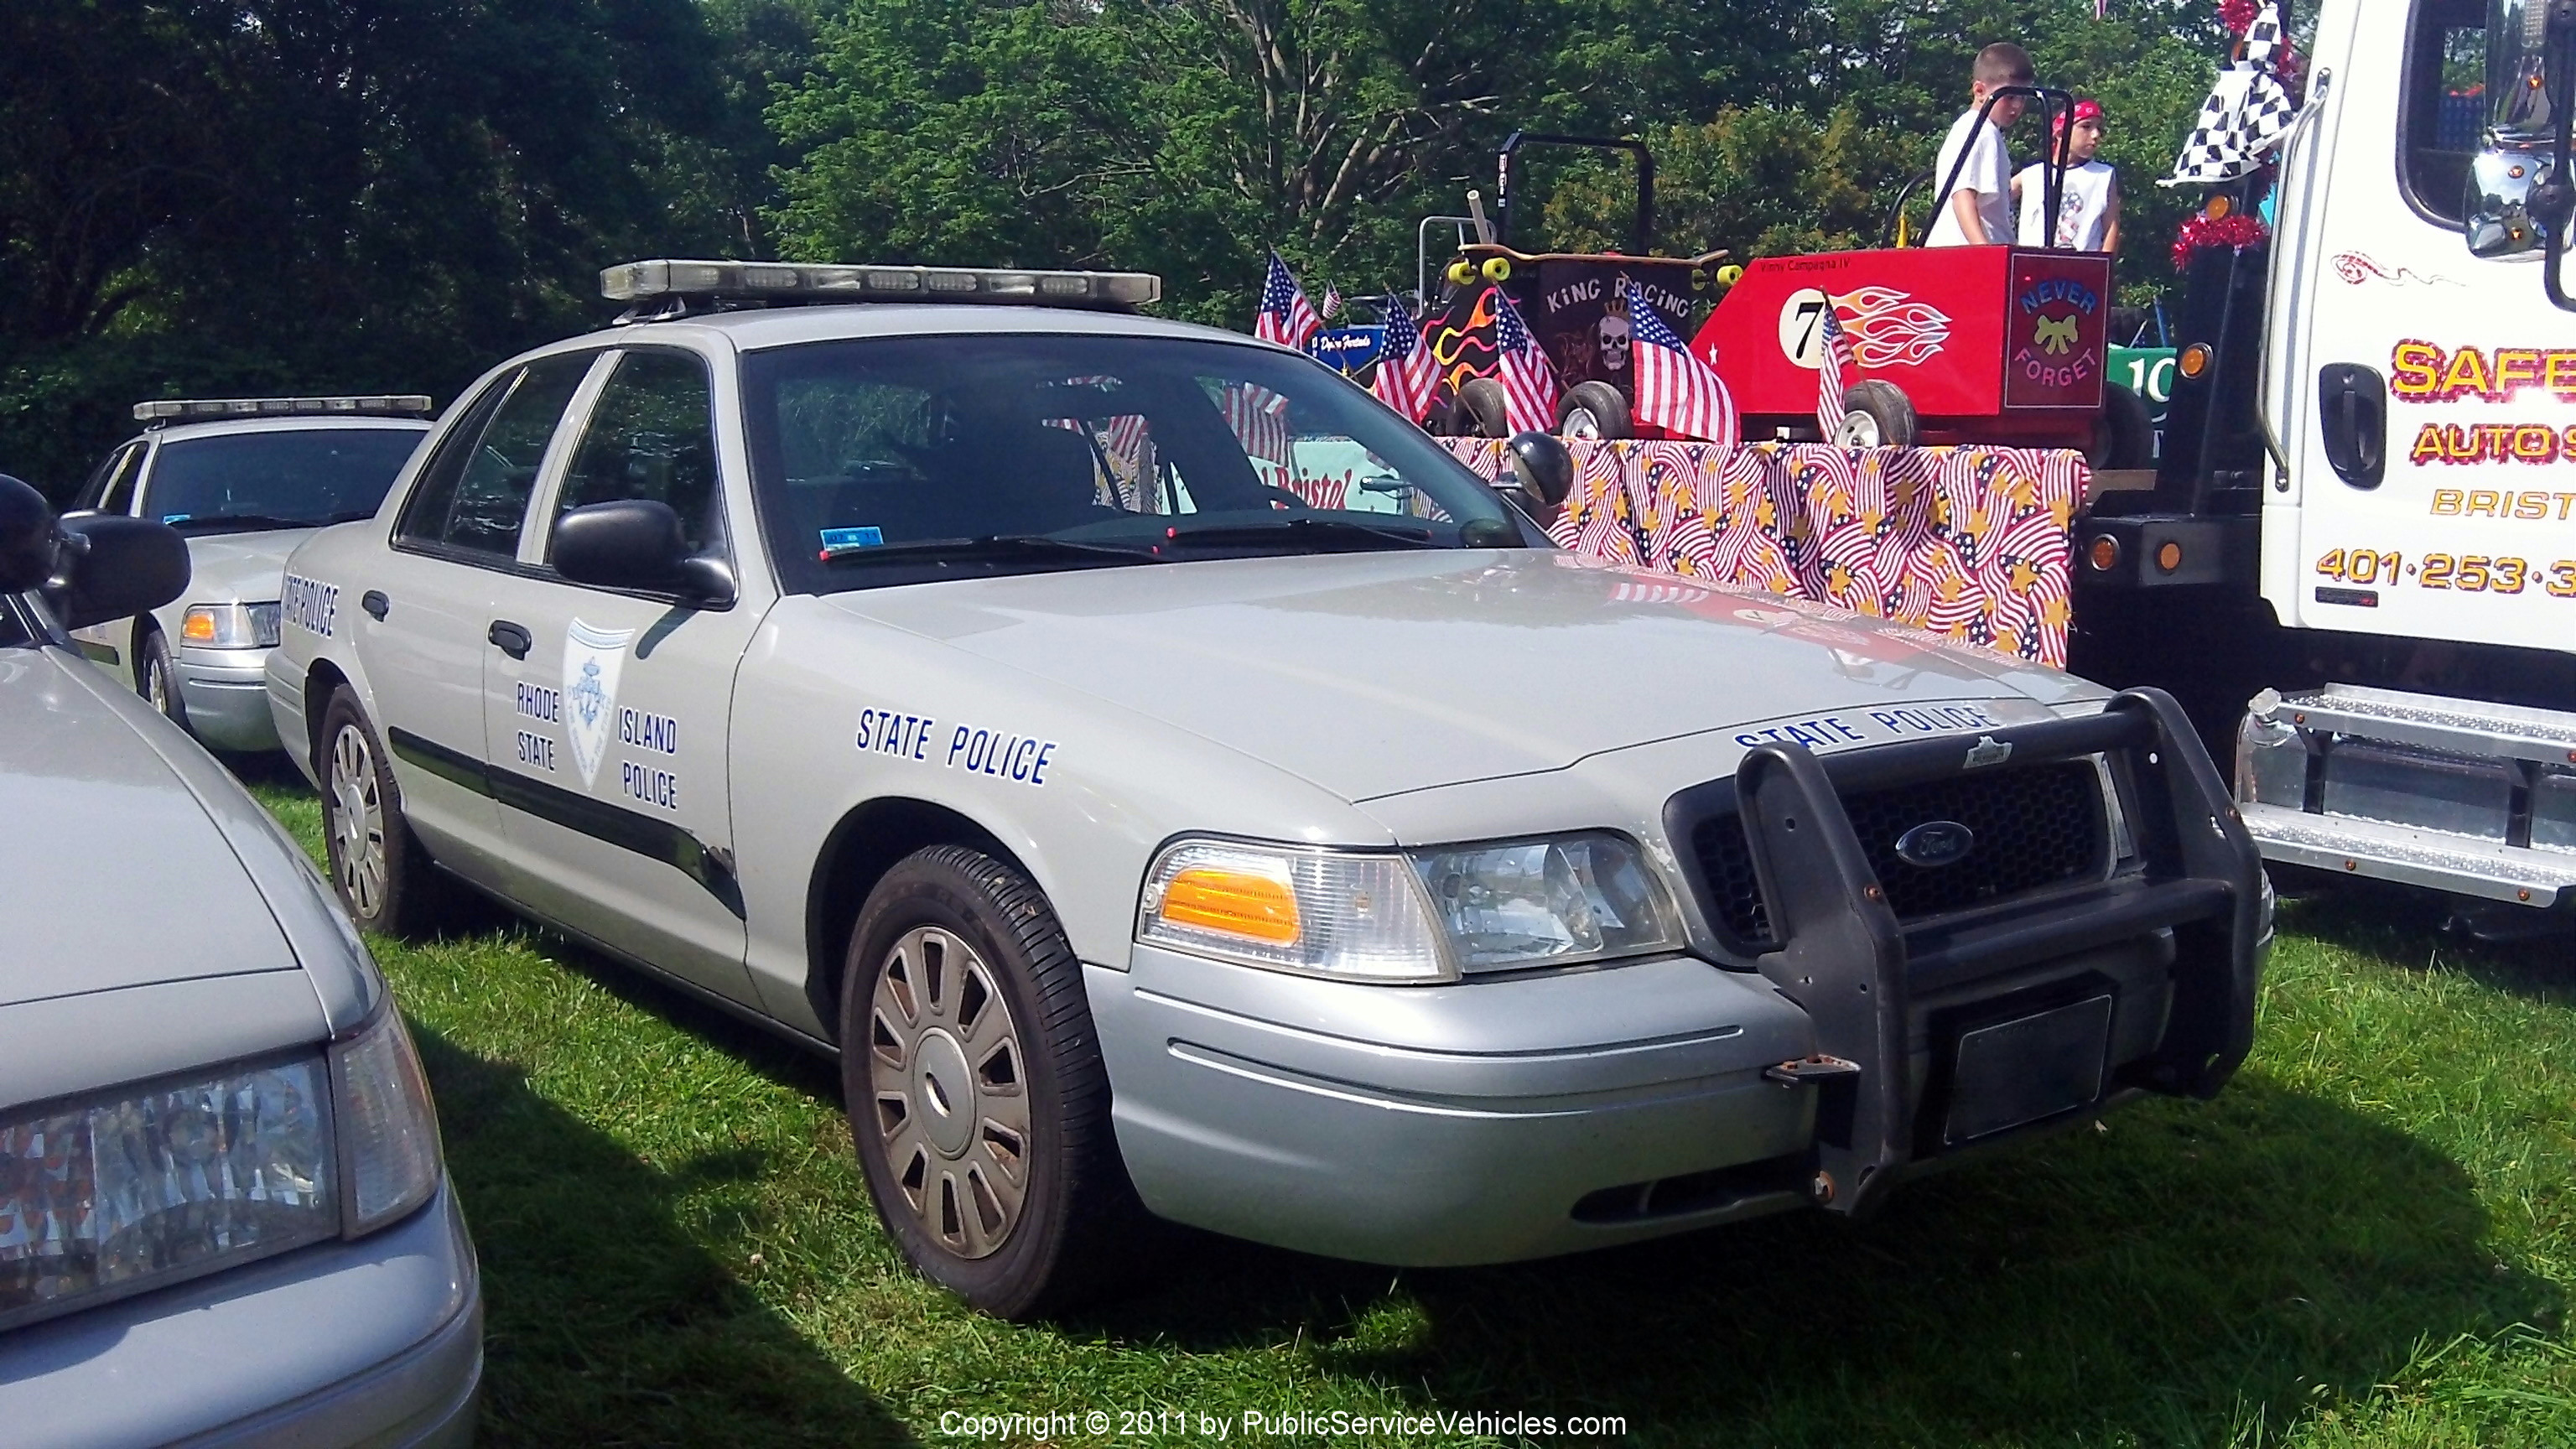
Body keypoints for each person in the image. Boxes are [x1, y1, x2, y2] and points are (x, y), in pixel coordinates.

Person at [1926, 43, 2035, 247]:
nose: (2018, 105)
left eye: (2023, 97)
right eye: (2010, 96)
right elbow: (1962, 196)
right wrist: (1983, 252)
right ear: (1980, 91)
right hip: (1967, 256)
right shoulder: (1980, 131)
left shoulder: (1978, 129)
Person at [2014, 98, 2121, 252]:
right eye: (2086, 127)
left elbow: (2112, 227)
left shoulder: (2103, 175)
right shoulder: (2033, 174)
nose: (2096, 134)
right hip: (2032, 264)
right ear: (2060, 132)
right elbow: (1992, 201)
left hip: (2080, 266)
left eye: (2099, 128)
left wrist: (2104, 265)